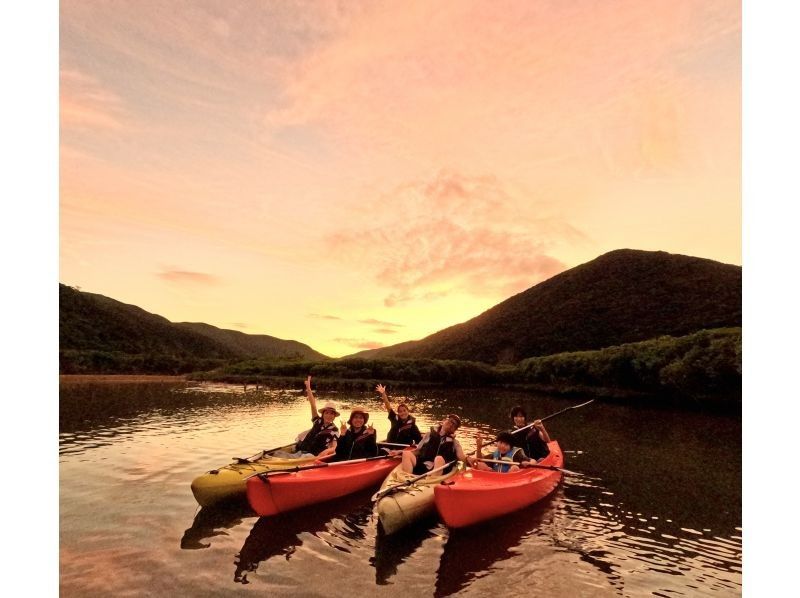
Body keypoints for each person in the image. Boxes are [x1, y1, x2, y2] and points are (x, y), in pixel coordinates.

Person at [394, 414, 467, 475]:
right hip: (423, 466)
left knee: (439, 459)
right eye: (450, 421)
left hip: (438, 470)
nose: (451, 424)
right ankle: (406, 480)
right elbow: (417, 451)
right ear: (444, 421)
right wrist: (400, 452)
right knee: (406, 454)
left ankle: (429, 484)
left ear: (454, 430)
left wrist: (472, 457)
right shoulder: (429, 435)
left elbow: (462, 458)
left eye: (454, 424)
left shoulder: (455, 442)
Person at [293, 376, 341, 457]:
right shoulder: (317, 421)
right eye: (327, 413)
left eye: (331, 414)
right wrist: (308, 388)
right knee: (279, 454)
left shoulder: (334, 430)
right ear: (323, 414)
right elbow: (313, 405)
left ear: (334, 416)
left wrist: (326, 451)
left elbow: (334, 447)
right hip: (301, 450)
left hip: (312, 456)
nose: (329, 416)